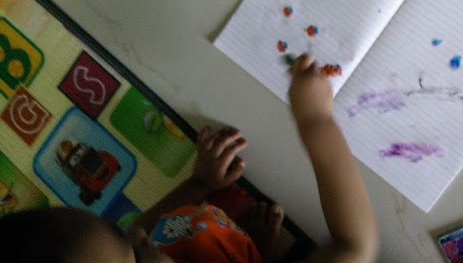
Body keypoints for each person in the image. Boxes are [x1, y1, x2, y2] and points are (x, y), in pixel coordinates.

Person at [0, 54, 378, 263]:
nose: (137, 232)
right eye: (135, 254)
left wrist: (200, 183)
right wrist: (316, 121)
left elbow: (141, 228)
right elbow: (354, 246)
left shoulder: (131, 246)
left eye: (117, 230)